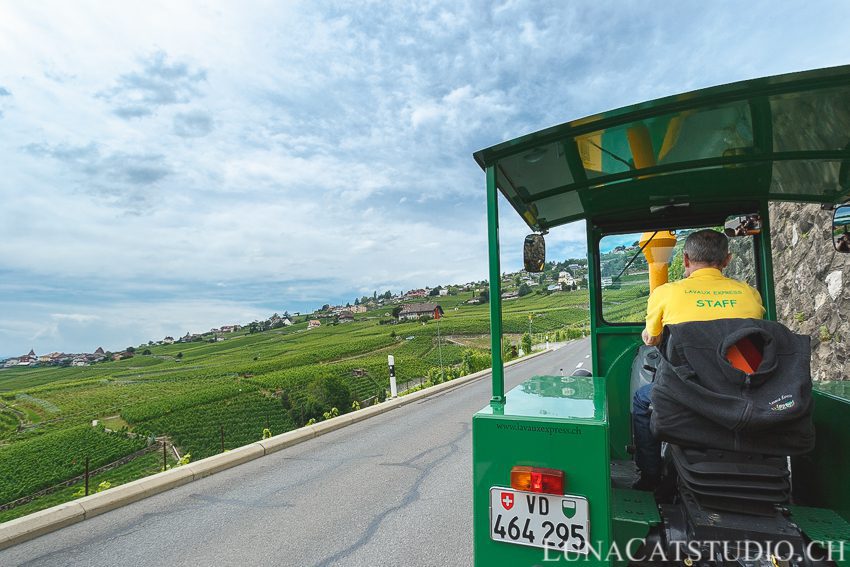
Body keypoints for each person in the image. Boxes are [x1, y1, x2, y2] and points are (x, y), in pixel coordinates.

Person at [632, 229, 765, 490]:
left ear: (685, 260)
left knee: (641, 401)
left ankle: (650, 475)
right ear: (727, 260)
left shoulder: (666, 293)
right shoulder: (750, 294)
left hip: (686, 391)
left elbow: (652, 339)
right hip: (739, 389)